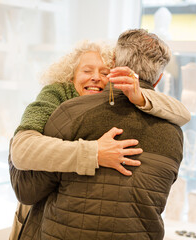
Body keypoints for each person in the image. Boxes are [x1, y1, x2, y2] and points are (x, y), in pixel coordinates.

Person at [11, 29, 184, 239]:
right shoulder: (56, 100)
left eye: (104, 73)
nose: (96, 78)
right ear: (70, 75)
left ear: (117, 73)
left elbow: (183, 113)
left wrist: (141, 98)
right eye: (87, 71)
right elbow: (21, 157)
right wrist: (94, 152)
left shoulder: (91, 112)